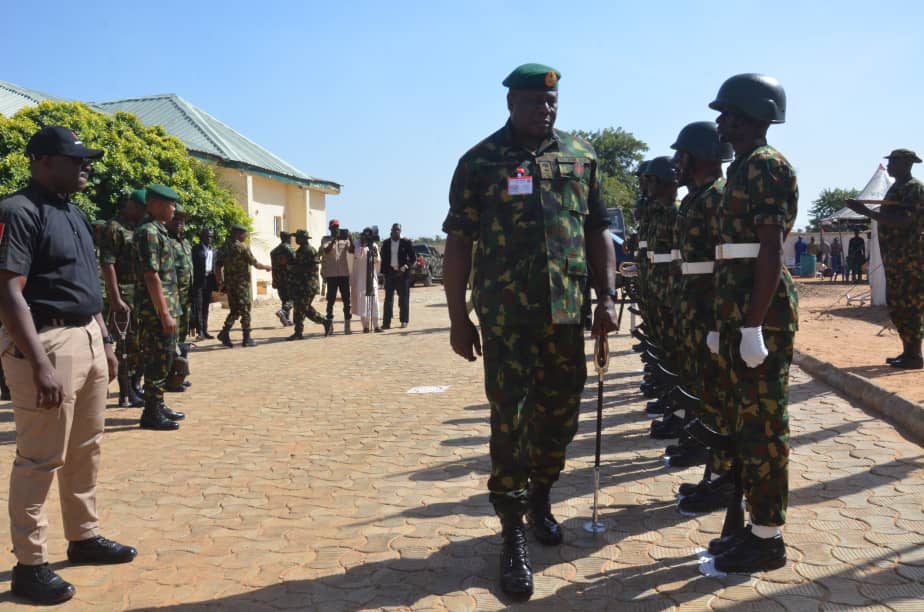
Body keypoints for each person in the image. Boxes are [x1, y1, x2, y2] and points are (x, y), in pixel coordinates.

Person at [443, 63, 618, 600]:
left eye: (552, 102)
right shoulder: (480, 162)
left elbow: (598, 232)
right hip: (507, 318)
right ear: (511, 104)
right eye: (535, 102)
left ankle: (541, 492)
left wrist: (608, 298)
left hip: (566, 312)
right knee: (511, 420)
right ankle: (513, 530)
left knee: (562, 413)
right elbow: (459, 242)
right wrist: (457, 316)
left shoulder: (582, 156)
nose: (546, 109)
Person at [0, 126, 136, 605]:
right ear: (41, 161)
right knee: (40, 458)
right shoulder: (17, 211)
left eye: (85, 159)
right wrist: (39, 363)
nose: (85, 165)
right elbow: (7, 291)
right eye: (73, 157)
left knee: (85, 449)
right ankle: (30, 565)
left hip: (86, 338)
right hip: (46, 341)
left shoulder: (74, 212)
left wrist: (104, 342)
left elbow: (85, 285)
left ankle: (83, 537)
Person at [705, 73, 798, 574]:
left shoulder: (766, 166)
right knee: (745, 426)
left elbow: (769, 250)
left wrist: (753, 325)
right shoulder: (742, 167)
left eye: (728, 113)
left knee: (764, 428)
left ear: (750, 116)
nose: (721, 121)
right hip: (739, 311)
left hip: (761, 316)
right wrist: (728, 321)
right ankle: (752, 527)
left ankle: (768, 538)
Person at [847, 149, 924, 369]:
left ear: (906, 163)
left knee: (911, 305)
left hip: (910, 258)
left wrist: (867, 212)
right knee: (898, 304)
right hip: (896, 258)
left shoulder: (914, 188)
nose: (889, 166)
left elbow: (904, 221)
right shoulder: (897, 187)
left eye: (893, 161)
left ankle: (915, 355)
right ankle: (909, 352)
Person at [133, 185, 186, 430]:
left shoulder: (159, 231)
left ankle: (158, 402)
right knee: (157, 357)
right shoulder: (148, 233)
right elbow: (151, 275)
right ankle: (151, 411)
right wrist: (164, 313)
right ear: (154, 204)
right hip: (155, 310)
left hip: (168, 305)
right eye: (170, 204)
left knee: (166, 358)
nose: (174, 208)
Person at [99, 188, 146, 407]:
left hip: (138, 294)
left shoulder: (137, 228)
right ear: (134, 206)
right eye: (143, 209)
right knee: (125, 345)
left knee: (137, 345)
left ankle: (135, 386)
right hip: (123, 295)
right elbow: (107, 264)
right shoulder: (114, 228)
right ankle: (125, 393)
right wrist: (115, 298)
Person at [215, 224, 271, 347]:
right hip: (241, 285)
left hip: (230, 284)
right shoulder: (242, 247)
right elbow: (255, 263)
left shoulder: (224, 247)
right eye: (244, 233)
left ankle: (224, 332)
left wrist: (220, 282)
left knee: (235, 310)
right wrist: (267, 267)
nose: (246, 236)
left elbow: (218, 266)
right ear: (237, 234)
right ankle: (247, 338)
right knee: (245, 310)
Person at [287, 229, 332, 340]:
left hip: (308, 285)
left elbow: (313, 267)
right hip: (300, 285)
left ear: (303, 238)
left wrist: (295, 268)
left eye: (298, 237)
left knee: (302, 308)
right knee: (300, 308)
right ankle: (299, 332)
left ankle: (324, 321)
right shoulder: (300, 250)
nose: (296, 239)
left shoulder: (310, 251)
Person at [321, 219, 355, 334]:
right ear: (330, 228)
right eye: (334, 227)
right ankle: (329, 326)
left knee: (347, 300)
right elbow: (326, 250)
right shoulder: (325, 239)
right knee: (330, 301)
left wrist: (350, 238)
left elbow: (352, 250)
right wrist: (334, 239)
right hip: (331, 275)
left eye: (337, 227)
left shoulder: (344, 240)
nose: (336, 229)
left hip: (344, 274)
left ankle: (347, 326)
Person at [380, 223, 414, 329]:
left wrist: (404, 268)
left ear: (401, 231)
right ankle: (386, 322)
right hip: (390, 273)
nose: (397, 232)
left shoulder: (406, 242)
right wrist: (385, 275)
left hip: (403, 275)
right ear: (391, 231)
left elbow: (413, 258)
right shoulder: (386, 243)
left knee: (404, 298)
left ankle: (404, 320)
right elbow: (384, 259)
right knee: (388, 299)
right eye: (395, 230)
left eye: (398, 230)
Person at [351, 227, 382, 333]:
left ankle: (377, 325)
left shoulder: (374, 245)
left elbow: (377, 260)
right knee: (363, 302)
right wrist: (363, 246)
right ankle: (365, 326)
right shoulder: (357, 243)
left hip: (371, 277)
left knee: (375, 300)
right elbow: (357, 256)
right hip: (360, 278)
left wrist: (371, 249)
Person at [191, 228, 216, 339]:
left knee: (206, 306)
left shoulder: (214, 250)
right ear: (202, 237)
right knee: (199, 307)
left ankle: (205, 330)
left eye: (211, 236)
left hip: (209, 280)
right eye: (207, 236)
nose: (209, 238)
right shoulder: (196, 249)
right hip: (199, 281)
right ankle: (199, 331)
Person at [270, 231, 295, 327]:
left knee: (284, 299)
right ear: (288, 238)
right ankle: (283, 311)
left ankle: (286, 319)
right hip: (289, 278)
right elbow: (296, 261)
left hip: (278, 278)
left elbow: (274, 266)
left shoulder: (274, 251)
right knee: (293, 298)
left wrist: (274, 279)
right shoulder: (289, 249)